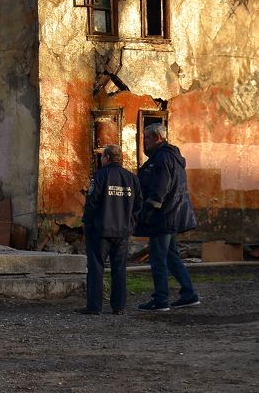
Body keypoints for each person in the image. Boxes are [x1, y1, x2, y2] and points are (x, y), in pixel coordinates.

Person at [135, 123, 200, 312]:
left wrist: (149, 209)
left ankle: (161, 299)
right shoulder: (171, 156)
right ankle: (189, 294)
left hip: (163, 216)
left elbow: (161, 187)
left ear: (158, 137)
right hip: (172, 214)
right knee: (171, 255)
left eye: (147, 137)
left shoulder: (162, 158)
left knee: (158, 258)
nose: (145, 142)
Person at [78, 144, 142, 316]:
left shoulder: (100, 176)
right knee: (119, 269)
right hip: (122, 232)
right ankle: (118, 306)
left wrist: (87, 222)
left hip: (101, 231)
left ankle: (94, 306)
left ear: (106, 158)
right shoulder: (131, 178)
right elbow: (138, 205)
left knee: (96, 268)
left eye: (102, 157)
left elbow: (92, 202)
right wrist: (130, 224)